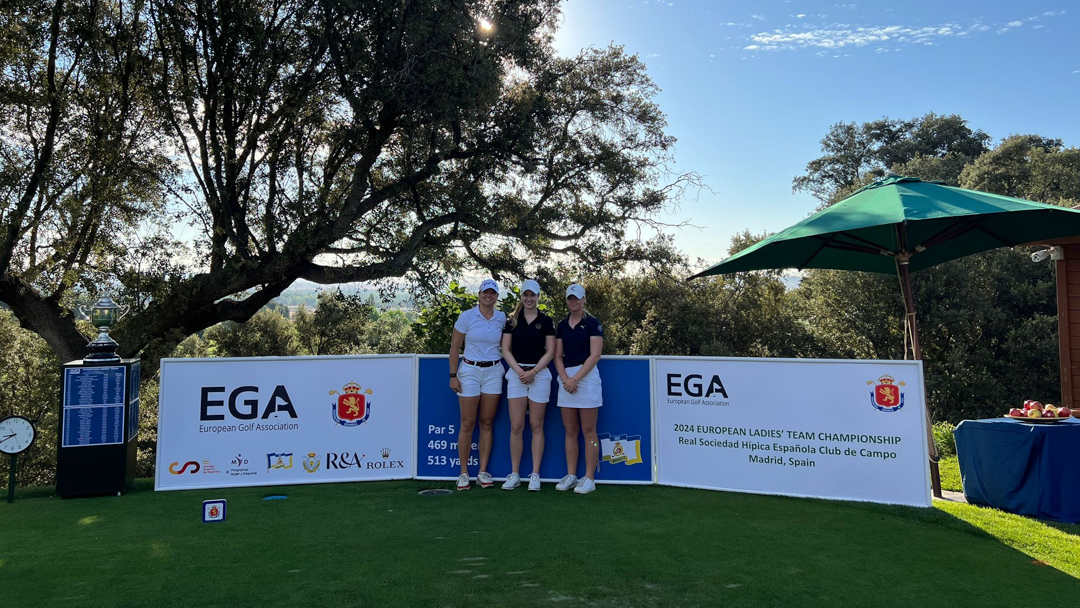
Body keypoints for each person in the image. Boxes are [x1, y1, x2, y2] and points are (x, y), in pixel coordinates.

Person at [449, 279, 506, 490]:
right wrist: (453, 375)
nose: (488, 296)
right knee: (467, 423)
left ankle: (482, 472)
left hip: (493, 371)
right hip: (469, 372)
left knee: (487, 422)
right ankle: (464, 473)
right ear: (479, 294)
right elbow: (455, 348)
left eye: (492, 293)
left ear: (496, 296)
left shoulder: (501, 318)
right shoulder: (467, 316)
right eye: (485, 292)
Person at [500, 280, 556, 491]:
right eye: (526, 295)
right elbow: (505, 349)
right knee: (516, 426)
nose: (529, 299)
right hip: (516, 375)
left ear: (538, 297)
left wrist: (533, 372)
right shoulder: (512, 321)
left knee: (536, 425)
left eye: (533, 295)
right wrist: (520, 372)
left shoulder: (547, 321)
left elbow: (550, 352)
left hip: (539, 375)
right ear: (522, 296)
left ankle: (535, 474)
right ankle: (514, 474)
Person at [553, 283, 604, 495]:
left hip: (587, 378)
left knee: (588, 431)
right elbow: (557, 356)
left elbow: (595, 355)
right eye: (570, 298)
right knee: (570, 430)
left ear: (583, 300)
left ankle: (589, 477)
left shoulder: (593, 324)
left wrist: (575, 379)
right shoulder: (562, 326)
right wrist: (566, 378)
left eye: (577, 298)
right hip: (567, 380)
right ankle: (572, 475)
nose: (573, 301)